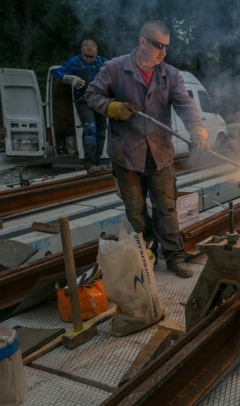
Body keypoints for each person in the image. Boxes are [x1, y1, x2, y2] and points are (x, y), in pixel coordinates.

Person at [85, 21, 209, 278]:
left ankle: (174, 257)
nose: (163, 52)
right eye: (158, 46)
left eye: (166, 47)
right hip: (126, 154)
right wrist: (113, 108)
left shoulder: (170, 74)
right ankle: (149, 253)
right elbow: (92, 94)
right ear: (142, 42)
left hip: (159, 152)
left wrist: (196, 129)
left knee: (166, 208)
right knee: (136, 211)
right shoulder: (115, 68)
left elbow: (184, 105)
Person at [52, 39, 108, 174]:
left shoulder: (103, 62)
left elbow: (116, 73)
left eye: (91, 57)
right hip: (84, 101)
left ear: (96, 52)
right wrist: (69, 78)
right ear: (82, 51)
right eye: (86, 56)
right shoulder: (75, 62)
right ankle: (89, 163)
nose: (89, 59)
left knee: (101, 131)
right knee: (90, 129)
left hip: (100, 100)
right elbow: (57, 73)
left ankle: (97, 161)